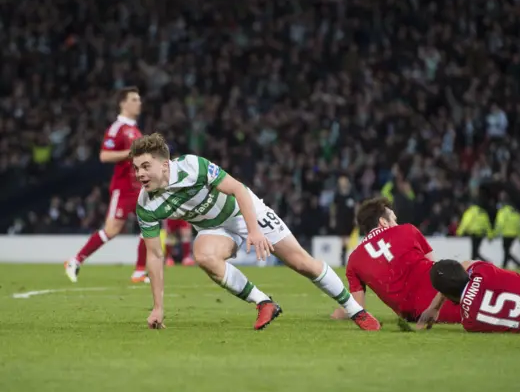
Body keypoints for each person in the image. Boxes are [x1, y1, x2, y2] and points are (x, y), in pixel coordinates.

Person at [131, 133, 380, 331]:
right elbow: (154, 256)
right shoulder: (146, 204)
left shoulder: (192, 166)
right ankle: (264, 302)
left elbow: (238, 189)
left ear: (165, 165)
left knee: (302, 263)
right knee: (204, 255)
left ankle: (356, 310)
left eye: (145, 166)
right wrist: (158, 307)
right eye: (136, 168)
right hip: (213, 228)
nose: (140, 174)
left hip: (245, 211)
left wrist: (254, 231)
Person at [330, 197, 460, 326]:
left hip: (417, 315)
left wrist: (340, 313)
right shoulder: (408, 230)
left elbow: (357, 307)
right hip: (449, 300)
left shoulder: (354, 260)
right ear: (383, 222)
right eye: (394, 219)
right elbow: (437, 271)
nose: (397, 224)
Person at [65, 87, 148, 284]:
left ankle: (139, 271)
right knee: (111, 230)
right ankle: (75, 260)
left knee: (149, 226)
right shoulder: (117, 128)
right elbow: (104, 155)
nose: (139, 103)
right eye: (134, 99)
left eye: (139, 99)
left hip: (140, 188)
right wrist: (130, 153)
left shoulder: (135, 130)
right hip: (123, 188)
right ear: (123, 103)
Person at [330, 175, 358, 266]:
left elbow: (356, 206)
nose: (342, 183)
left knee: (350, 238)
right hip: (341, 218)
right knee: (343, 238)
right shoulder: (337, 194)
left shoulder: (352, 193)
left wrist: (356, 217)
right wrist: (333, 218)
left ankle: (349, 256)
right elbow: (333, 207)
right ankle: (343, 257)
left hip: (350, 219)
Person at [494, 200, 520, 268]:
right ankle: (505, 265)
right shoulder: (515, 212)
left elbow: (500, 224)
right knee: (506, 250)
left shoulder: (503, 212)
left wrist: (495, 233)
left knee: (506, 250)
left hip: (506, 234)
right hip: (514, 234)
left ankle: (517, 263)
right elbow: (519, 225)